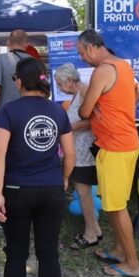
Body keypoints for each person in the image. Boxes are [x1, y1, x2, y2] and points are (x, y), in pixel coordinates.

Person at [0, 57, 75, 277]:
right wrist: (65, 178)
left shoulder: (8, 111)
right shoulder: (58, 111)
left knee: (16, 256)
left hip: (17, 190)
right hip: (51, 188)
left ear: (19, 82)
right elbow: (69, 154)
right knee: (48, 256)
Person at [76, 29, 139, 277]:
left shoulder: (102, 71)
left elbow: (84, 112)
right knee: (114, 205)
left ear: (91, 48)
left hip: (115, 147)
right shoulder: (123, 65)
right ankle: (120, 250)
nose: (82, 58)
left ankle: (132, 264)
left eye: (82, 53)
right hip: (125, 143)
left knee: (117, 207)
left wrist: (93, 109)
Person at [0, 30, 31, 231]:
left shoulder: (1, 59)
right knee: (25, 165)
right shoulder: (34, 62)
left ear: (8, 42)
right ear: (26, 44)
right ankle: (27, 213)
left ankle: (6, 214)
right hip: (31, 121)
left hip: (8, 122)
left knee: (6, 167)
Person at [54, 63, 102, 250]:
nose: (58, 87)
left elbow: (94, 120)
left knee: (83, 195)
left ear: (68, 80)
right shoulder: (76, 94)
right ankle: (95, 230)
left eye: (59, 83)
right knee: (84, 194)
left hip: (85, 153)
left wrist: (69, 128)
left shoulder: (84, 91)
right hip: (78, 152)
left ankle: (90, 234)